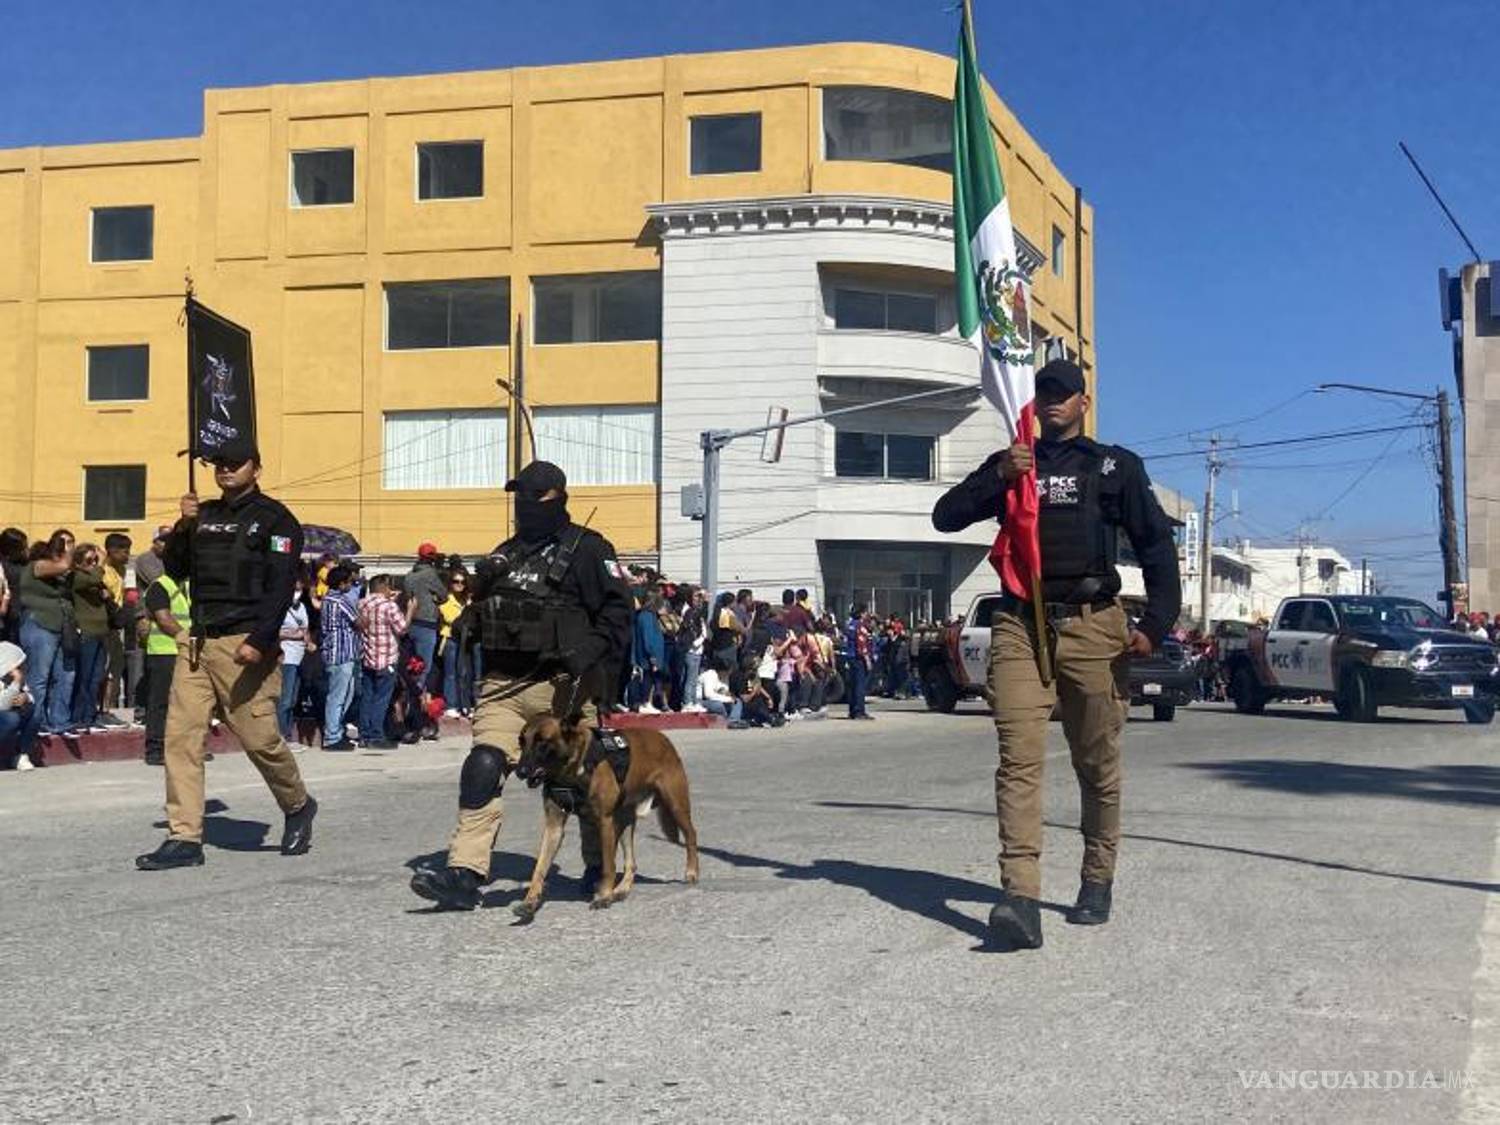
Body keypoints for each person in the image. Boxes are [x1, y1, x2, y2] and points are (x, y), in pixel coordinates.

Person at [932, 358, 1181, 949]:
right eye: (1044, 392)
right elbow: (946, 517)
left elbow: (1156, 546)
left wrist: (1156, 624)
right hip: (1021, 625)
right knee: (1018, 760)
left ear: (1083, 403)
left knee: (1096, 763)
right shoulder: (1014, 462)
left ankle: (1097, 877)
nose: (1052, 401)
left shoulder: (1114, 467)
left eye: (1063, 394)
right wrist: (999, 475)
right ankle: (1020, 898)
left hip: (1093, 628)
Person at [409, 460, 632, 912]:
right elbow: (487, 605)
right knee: (482, 765)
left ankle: (598, 864)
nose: (525, 505)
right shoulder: (506, 553)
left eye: (535, 496)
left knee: (582, 782)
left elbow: (618, 613)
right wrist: (473, 618)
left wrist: (591, 655)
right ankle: (465, 872)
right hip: (505, 686)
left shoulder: (589, 549)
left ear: (558, 498)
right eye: (519, 496)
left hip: (564, 686)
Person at [135, 444, 318, 871]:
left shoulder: (276, 519)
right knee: (181, 738)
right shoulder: (204, 514)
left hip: (244, 644)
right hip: (197, 644)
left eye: (236, 463)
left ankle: (297, 804)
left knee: (259, 740)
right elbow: (175, 569)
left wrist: (260, 639)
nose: (226, 469)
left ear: (257, 468)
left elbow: (280, 585)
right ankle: (184, 837)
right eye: (220, 463)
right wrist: (184, 525)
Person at [17, 531, 74, 743]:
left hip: (59, 628)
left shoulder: (56, 577)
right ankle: (36, 722)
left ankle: (59, 721)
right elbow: (64, 565)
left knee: (65, 676)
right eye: (60, 548)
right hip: (39, 626)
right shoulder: (37, 566)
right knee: (39, 678)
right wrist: (67, 548)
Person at [141, 571, 191, 766]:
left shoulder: (188, 585)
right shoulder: (159, 586)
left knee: (185, 702)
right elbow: (164, 619)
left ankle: (183, 747)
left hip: (184, 651)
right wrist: (187, 638)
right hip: (163, 652)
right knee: (160, 703)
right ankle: (155, 749)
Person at [357, 575, 406, 749]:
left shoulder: (362, 604)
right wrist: (410, 611)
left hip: (368, 656)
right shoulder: (390, 606)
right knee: (381, 699)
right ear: (384, 587)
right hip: (386, 657)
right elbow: (402, 628)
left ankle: (364, 734)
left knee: (367, 697)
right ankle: (376, 735)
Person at [69, 543, 112, 732]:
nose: (94, 563)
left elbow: (107, 591)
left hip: (101, 632)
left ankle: (90, 716)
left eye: (95, 560)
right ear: (78, 562)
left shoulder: (94, 578)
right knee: (84, 677)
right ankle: (79, 717)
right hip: (86, 633)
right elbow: (95, 578)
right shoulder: (77, 577)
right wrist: (101, 564)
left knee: (96, 677)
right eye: (89, 560)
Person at [319, 565, 360, 751]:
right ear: (341, 583)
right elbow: (359, 622)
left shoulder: (327, 599)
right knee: (338, 697)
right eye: (349, 582)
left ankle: (336, 731)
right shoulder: (340, 600)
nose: (351, 585)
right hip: (341, 653)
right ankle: (332, 736)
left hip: (335, 652)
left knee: (344, 695)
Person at [278, 570, 312, 746]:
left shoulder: (302, 607)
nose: (297, 593)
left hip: (300, 656)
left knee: (293, 700)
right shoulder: (280, 608)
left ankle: (289, 733)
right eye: (295, 589)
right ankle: (281, 734)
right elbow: (273, 631)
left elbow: (305, 629)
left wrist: (307, 639)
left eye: (300, 589)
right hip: (287, 656)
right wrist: (292, 635)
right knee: (285, 699)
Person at [100, 533, 132, 713]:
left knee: (116, 667)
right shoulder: (103, 571)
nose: (128, 555)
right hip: (105, 623)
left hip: (116, 624)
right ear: (112, 551)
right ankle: (102, 708)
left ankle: (109, 707)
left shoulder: (122, 571)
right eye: (124, 552)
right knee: (105, 668)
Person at [405, 543, 446, 676]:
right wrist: (436, 599)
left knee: (412, 666)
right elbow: (444, 595)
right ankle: (419, 689)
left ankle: (412, 688)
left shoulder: (409, 575)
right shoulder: (430, 574)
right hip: (427, 623)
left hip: (411, 623)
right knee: (423, 667)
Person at [438, 567, 472, 717]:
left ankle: (465, 705)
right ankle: (451, 705)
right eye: (456, 581)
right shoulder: (446, 599)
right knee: (450, 673)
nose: (459, 584)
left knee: (464, 673)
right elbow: (449, 617)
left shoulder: (467, 600)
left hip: (465, 639)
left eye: (462, 582)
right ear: (450, 583)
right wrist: (465, 615)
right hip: (450, 638)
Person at [0, 640, 38, 769]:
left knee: (34, 713)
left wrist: (26, 698)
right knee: (11, 719)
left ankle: (21, 754)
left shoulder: (16, 677)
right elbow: (3, 706)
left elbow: (30, 695)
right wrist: (16, 682)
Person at [843, 605, 873, 720]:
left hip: (850, 657)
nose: (867, 615)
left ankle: (852, 710)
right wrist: (867, 659)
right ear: (861, 614)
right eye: (865, 612)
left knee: (852, 685)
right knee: (860, 685)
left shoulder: (849, 625)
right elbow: (862, 644)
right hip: (858, 658)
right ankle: (859, 711)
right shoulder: (860, 626)